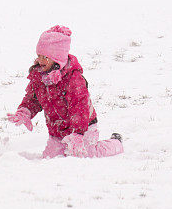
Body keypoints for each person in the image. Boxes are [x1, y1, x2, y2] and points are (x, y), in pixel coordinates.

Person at [7, 26, 124, 158]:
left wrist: (77, 134)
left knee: (86, 154)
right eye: (39, 56)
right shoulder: (39, 76)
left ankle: (115, 143)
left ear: (57, 58)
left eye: (45, 57)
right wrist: (25, 112)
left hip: (83, 128)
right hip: (57, 131)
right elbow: (33, 99)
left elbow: (80, 107)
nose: (40, 60)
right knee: (51, 158)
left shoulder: (73, 79)